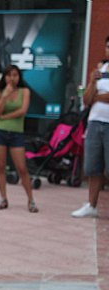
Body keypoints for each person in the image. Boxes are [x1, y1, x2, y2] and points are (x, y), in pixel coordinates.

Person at [0, 64, 38, 213]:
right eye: (9, 75)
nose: (12, 78)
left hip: (16, 132)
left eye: (15, 75)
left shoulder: (25, 91)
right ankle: (3, 198)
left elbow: (22, 111)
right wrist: (5, 96)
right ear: (4, 77)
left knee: (22, 168)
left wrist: (5, 116)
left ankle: (30, 199)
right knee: (0, 166)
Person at [71, 36, 109, 218]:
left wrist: (98, 97)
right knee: (93, 167)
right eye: (108, 46)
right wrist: (93, 83)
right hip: (95, 123)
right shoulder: (100, 71)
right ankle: (91, 205)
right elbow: (86, 100)